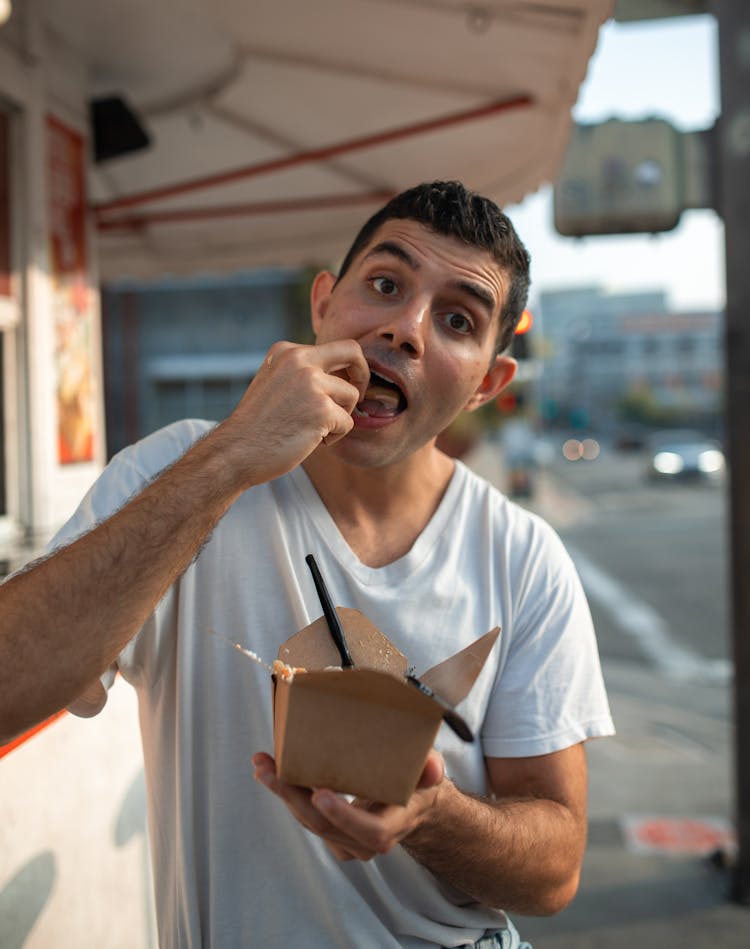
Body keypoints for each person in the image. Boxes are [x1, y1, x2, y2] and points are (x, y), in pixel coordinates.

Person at [0, 181, 614, 948]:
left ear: (488, 383)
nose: (406, 328)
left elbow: (554, 869)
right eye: (385, 285)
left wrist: (429, 814)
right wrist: (231, 458)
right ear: (324, 304)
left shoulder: (523, 558)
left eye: (457, 319)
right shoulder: (177, 467)